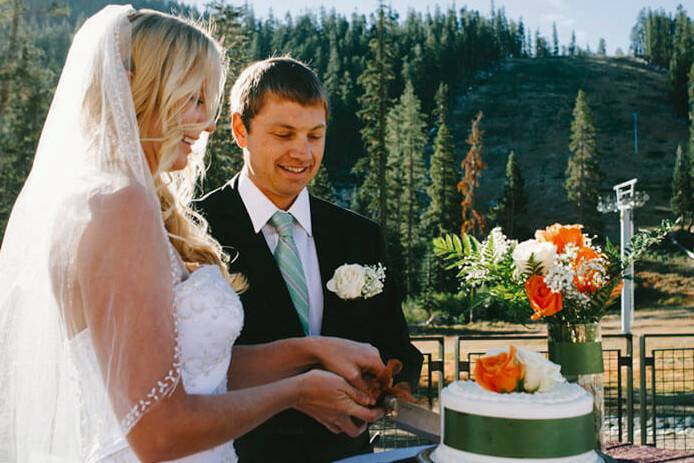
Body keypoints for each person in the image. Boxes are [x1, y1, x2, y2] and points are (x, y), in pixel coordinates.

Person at [0, 6, 386, 462]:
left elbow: (195, 371)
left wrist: (311, 351)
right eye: (195, 98)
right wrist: (297, 392)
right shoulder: (121, 207)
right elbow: (158, 432)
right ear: (143, 92)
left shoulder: (113, 200)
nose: (206, 123)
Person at [198, 57, 424, 463]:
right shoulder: (195, 230)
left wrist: (377, 390)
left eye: (314, 135)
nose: (301, 152)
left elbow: (399, 352)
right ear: (239, 130)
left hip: (349, 455)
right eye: (283, 134)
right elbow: (189, 372)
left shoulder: (359, 235)